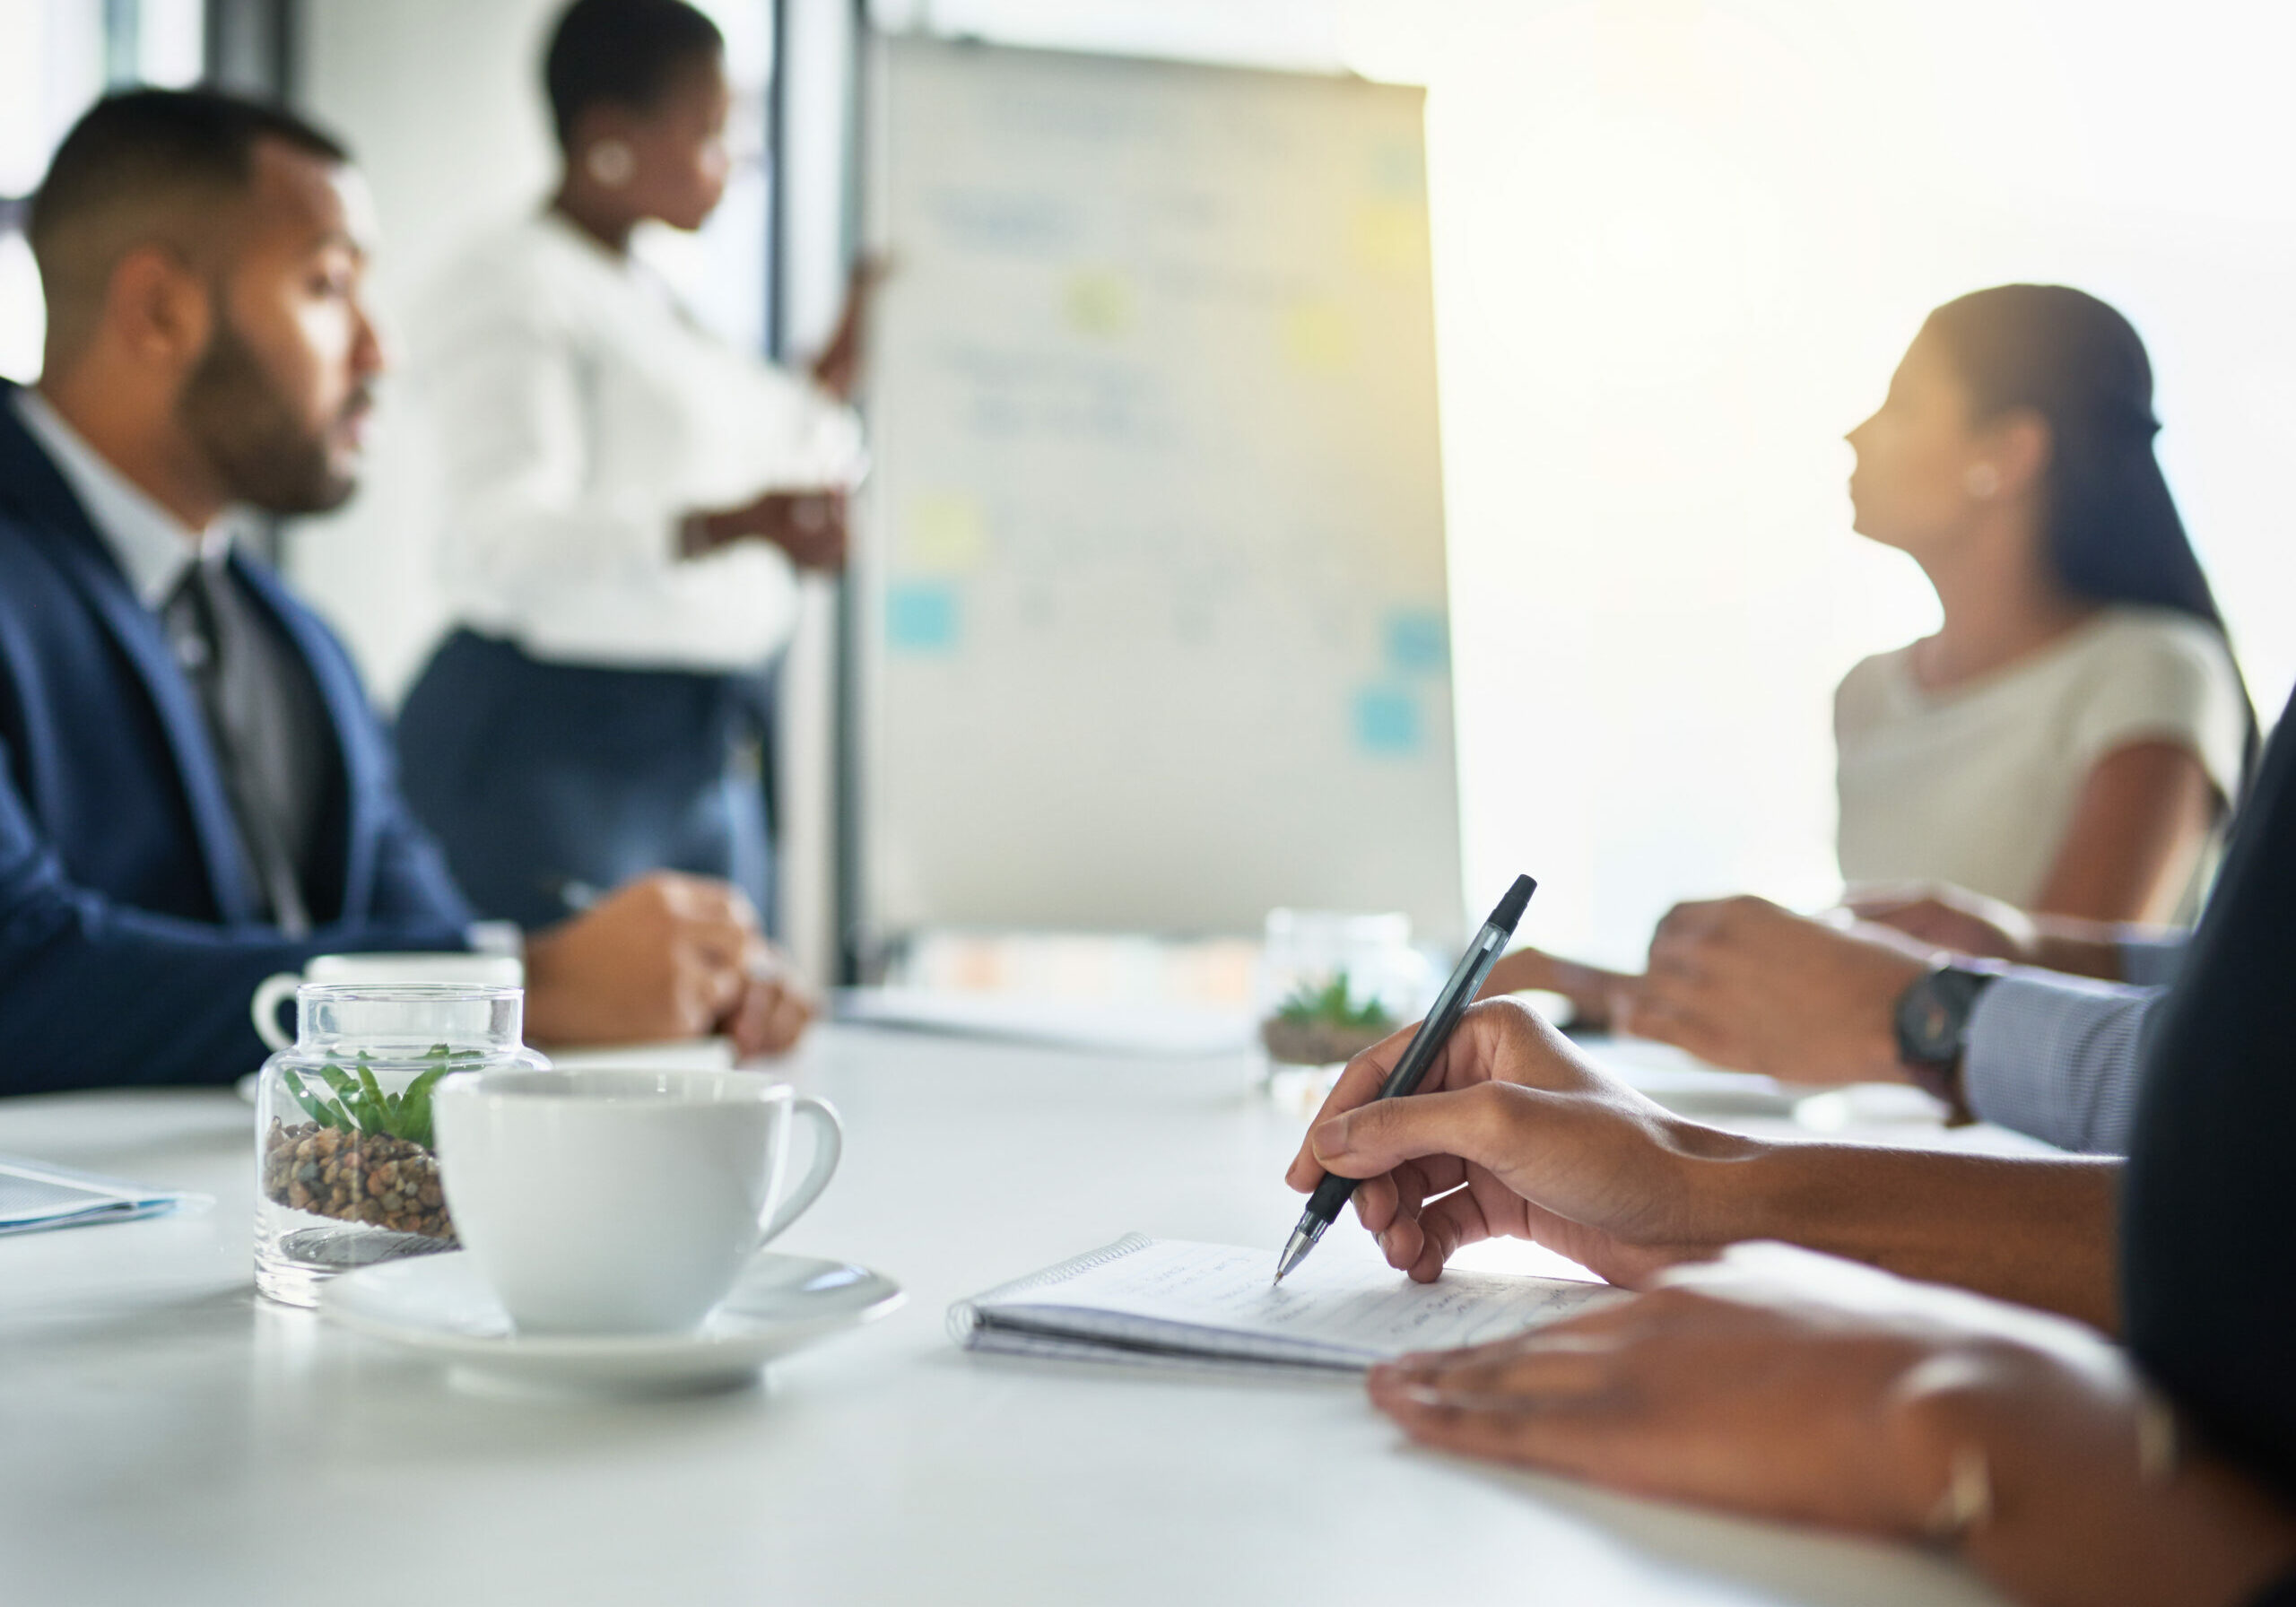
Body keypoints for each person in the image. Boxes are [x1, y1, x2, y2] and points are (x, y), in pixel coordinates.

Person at [1289, 668, 2296, 1607]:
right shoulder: (1871, 693)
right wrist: (1695, 1192)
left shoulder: (2150, 670)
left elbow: (2243, 1182)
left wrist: (1968, 1425)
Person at [0, 88, 812, 1093]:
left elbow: (419, 941)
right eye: (328, 286)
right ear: (160, 309)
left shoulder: (300, 646)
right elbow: (19, 975)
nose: (379, 352)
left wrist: (662, 979)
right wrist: (530, 985)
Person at [1488, 285, 2251, 1018]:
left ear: (2008, 452)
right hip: (1877, 1123)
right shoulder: (1869, 692)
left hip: (2021, 1151)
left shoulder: (2154, 670)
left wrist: (1620, 991)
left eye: (1904, 405)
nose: (1857, 434)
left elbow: (2062, 1008)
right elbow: (1864, 990)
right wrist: (1627, 986)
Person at [392, 0, 874, 932]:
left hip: (694, 753)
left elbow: (773, 450)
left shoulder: (655, 298)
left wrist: (823, 402)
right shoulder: (512, 284)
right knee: (564, 1055)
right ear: (608, 137)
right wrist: (734, 527)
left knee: (709, 1041)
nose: (730, 164)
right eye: (708, 133)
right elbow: (508, 539)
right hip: (553, 748)